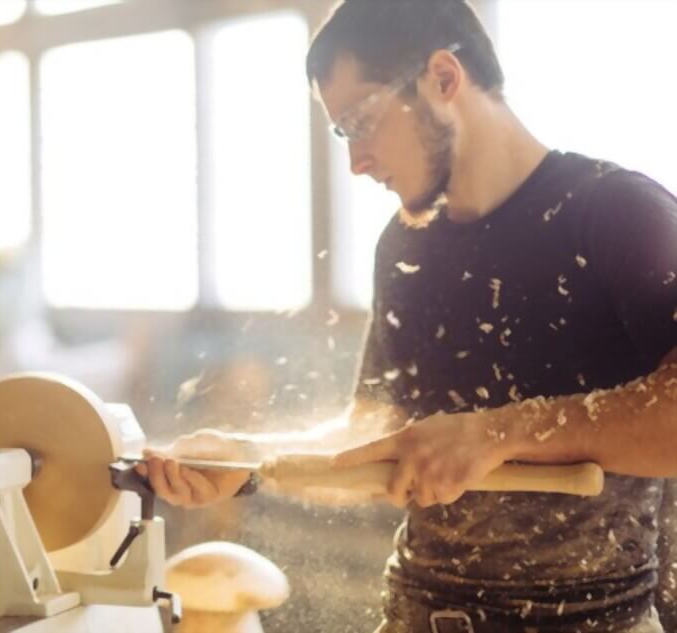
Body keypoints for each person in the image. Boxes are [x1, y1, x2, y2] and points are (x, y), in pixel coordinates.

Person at [137, 1, 677, 631]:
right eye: (343, 134)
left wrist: (496, 433)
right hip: (418, 613)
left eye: (361, 121)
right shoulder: (404, 247)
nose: (356, 161)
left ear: (444, 78)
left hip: (590, 619)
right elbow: (378, 436)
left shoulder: (616, 213)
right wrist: (247, 462)